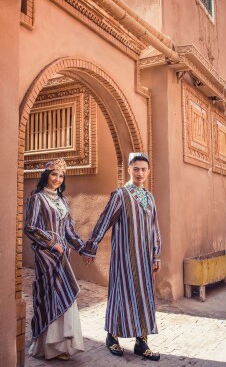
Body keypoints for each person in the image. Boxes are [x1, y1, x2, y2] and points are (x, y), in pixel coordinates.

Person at [81, 152, 162, 361]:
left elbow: (154, 228)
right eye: (136, 169)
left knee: (144, 297)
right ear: (129, 170)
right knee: (121, 294)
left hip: (145, 258)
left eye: (144, 169)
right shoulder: (120, 195)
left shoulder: (150, 197)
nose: (140, 173)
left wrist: (156, 255)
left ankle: (141, 342)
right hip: (124, 257)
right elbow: (104, 220)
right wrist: (91, 246)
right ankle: (112, 336)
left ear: (148, 171)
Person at [24, 158, 85, 361]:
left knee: (65, 296)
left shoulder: (62, 201)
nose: (57, 179)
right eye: (54, 174)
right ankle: (47, 347)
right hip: (46, 255)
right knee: (49, 295)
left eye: (61, 175)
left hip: (62, 256)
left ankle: (62, 345)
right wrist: (51, 243)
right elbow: (30, 228)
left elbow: (69, 230)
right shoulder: (37, 198)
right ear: (46, 176)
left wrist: (83, 248)